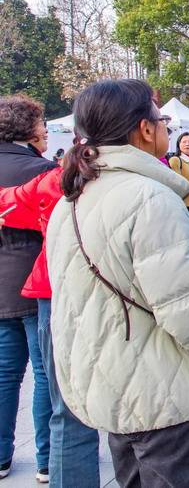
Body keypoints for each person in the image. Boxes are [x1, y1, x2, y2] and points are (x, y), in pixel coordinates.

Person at [46, 79, 189, 487]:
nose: (166, 127)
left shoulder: (76, 197)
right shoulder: (149, 199)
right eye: (161, 119)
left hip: (117, 385)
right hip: (164, 397)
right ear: (144, 128)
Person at [0, 164, 101, 488]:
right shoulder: (55, 173)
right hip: (71, 289)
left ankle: (23, 460)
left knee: (23, 381)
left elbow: (9, 205)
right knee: (57, 384)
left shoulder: (55, 176)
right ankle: (47, 463)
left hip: (42, 287)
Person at [0, 95, 54, 484]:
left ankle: (2, 456)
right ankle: (47, 458)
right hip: (34, 281)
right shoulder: (40, 169)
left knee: (4, 374)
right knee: (45, 373)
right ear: (30, 127)